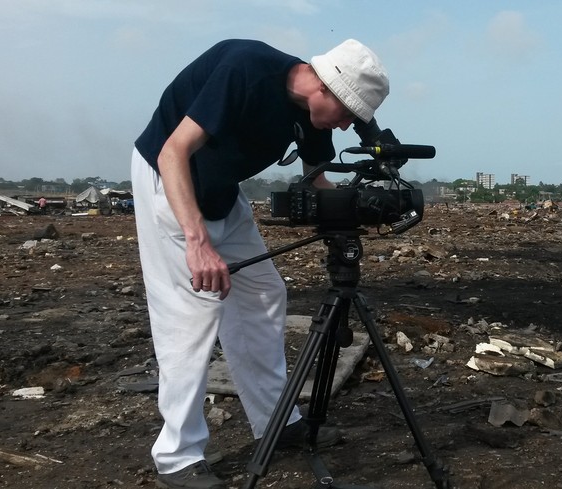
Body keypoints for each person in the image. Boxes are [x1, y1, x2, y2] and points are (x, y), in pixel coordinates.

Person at [131, 38, 389, 489]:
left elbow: (317, 181)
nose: (348, 127)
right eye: (348, 116)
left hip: (219, 189)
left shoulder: (312, 116)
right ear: (325, 89)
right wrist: (197, 243)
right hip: (168, 179)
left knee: (263, 293)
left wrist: (363, 210)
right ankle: (177, 456)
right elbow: (173, 152)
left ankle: (276, 420)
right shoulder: (244, 69)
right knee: (191, 312)